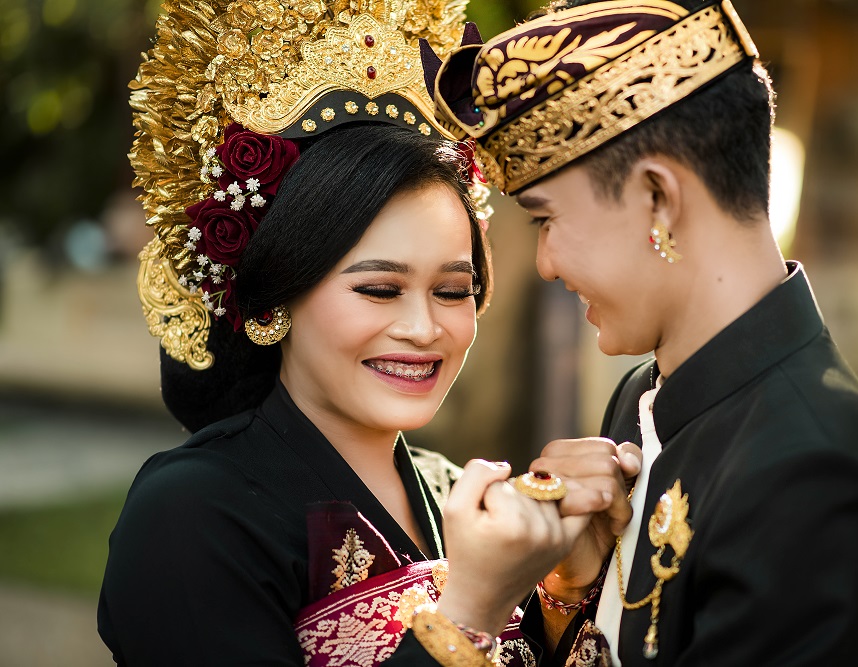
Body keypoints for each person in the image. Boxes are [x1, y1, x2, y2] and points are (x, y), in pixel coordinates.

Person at [100, 1, 636, 665]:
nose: (423, 328)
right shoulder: (190, 514)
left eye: (452, 291)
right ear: (273, 303)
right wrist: (467, 613)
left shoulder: (453, 492)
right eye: (379, 289)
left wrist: (564, 586)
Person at [430, 0, 858, 664]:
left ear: (658, 197)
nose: (546, 264)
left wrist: (466, 624)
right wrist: (567, 592)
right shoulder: (642, 397)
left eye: (546, 219)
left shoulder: (812, 474)